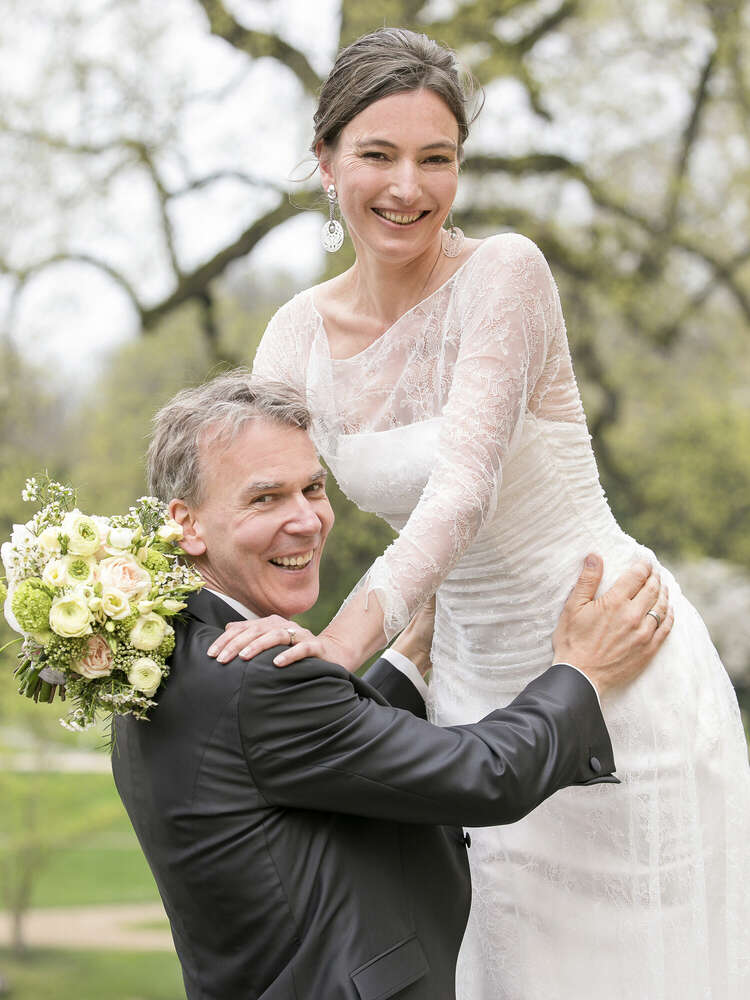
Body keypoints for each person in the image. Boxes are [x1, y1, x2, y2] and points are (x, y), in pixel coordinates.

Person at [212, 27, 750, 1000]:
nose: (407, 187)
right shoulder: (295, 332)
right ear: (325, 160)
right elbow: (250, 491)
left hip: (617, 662)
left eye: (437, 158)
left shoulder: (505, 273)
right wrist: (158, 615)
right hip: (468, 704)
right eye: (377, 154)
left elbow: (461, 491)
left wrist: (336, 654)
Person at [112, 373, 671, 1000]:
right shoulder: (254, 680)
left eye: (313, 488)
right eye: (265, 499)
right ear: (186, 524)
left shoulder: (157, 656)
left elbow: (307, 759)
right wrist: (583, 672)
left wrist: (408, 658)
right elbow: (486, 775)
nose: (307, 521)